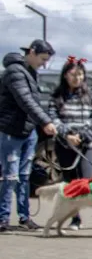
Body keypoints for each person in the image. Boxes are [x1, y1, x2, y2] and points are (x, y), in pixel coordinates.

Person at [0, 39, 57, 233]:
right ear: (31, 52)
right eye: (42, 58)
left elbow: (36, 103)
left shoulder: (31, 73)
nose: (44, 63)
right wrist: (45, 122)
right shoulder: (15, 72)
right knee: (10, 176)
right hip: (11, 132)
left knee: (25, 176)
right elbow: (25, 101)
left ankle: (25, 218)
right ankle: (3, 219)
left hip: (28, 131)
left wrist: (45, 123)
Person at [47, 56, 92, 230]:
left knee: (89, 181)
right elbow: (53, 118)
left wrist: (83, 135)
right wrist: (67, 135)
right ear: (65, 75)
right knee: (71, 183)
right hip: (65, 145)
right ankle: (75, 219)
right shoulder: (57, 95)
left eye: (80, 75)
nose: (77, 78)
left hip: (86, 144)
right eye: (73, 74)